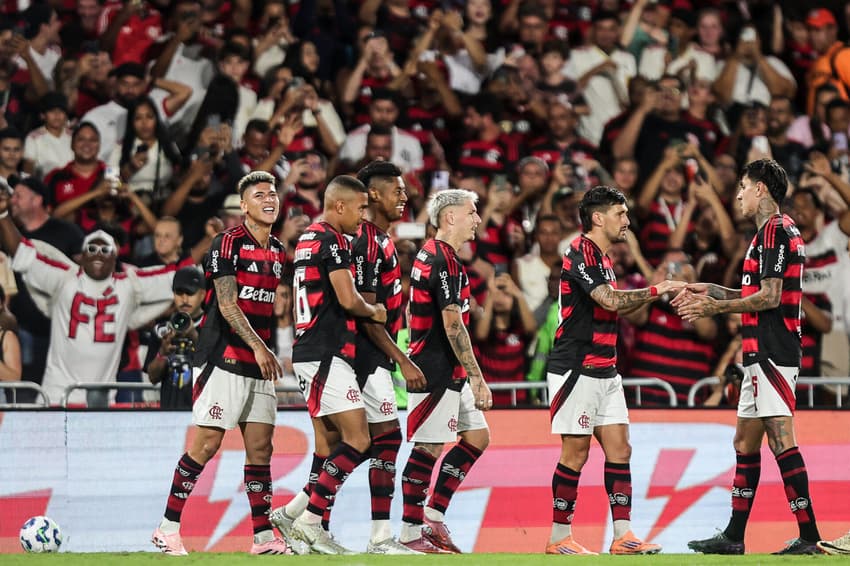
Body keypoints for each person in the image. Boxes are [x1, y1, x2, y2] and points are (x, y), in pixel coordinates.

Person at [673, 159, 822, 555]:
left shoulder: (774, 231)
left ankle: (809, 537)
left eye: (742, 186)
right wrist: (712, 290)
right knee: (745, 440)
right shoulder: (770, 233)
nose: (737, 194)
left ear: (760, 189)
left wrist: (713, 310)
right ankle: (734, 536)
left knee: (780, 437)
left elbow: (770, 298)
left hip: (774, 349)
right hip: (760, 352)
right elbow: (753, 296)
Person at [151, 171, 289, 556]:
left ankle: (262, 537)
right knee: (207, 443)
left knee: (261, 448)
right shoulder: (225, 243)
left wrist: (263, 349)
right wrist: (261, 347)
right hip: (222, 357)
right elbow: (227, 304)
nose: (269, 199)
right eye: (259, 194)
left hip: (257, 362)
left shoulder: (278, 249)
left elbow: (263, 307)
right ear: (243, 205)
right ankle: (167, 528)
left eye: (273, 193)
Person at [545, 185, 683, 555]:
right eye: (620, 213)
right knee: (575, 453)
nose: (627, 220)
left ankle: (623, 536)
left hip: (606, 369)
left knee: (620, 449)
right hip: (577, 367)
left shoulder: (603, 258)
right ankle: (559, 537)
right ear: (598, 217)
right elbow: (608, 299)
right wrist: (658, 290)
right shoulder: (580, 252)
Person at [280, 175, 387, 554]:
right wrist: (375, 309)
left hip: (310, 350)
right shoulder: (332, 240)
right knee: (359, 439)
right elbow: (347, 298)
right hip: (325, 352)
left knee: (328, 446)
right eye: (359, 208)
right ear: (339, 205)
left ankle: (294, 513)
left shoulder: (308, 238)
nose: (363, 216)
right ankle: (309, 520)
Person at [398, 189, 493, 554]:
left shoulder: (434, 255)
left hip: (445, 366)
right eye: (472, 212)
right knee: (429, 447)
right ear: (450, 216)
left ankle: (433, 520)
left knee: (477, 438)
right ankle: (409, 535)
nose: (477, 220)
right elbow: (453, 324)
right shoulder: (443, 260)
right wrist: (477, 377)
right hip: (436, 367)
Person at [349, 161, 425, 552]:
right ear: (373, 195)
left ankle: (304, 518)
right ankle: (376, 535)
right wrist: (402, 359)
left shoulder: (381, 241)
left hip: (370, 356)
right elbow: (367, 315)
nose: (404, 197)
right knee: (382, 440)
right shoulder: (364, 241)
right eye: (396, 190)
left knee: (353, 445)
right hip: (364, 356)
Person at [143, 266, 205, 409]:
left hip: (202, 415)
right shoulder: (162, 330)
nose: (184, 299)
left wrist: (194, 336)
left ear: (202, 294)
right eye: (179, 293)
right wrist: (162, 354)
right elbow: (152, 377)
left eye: (190, 293)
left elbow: (217, 370)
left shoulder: (213, 327)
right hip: (169, 412)